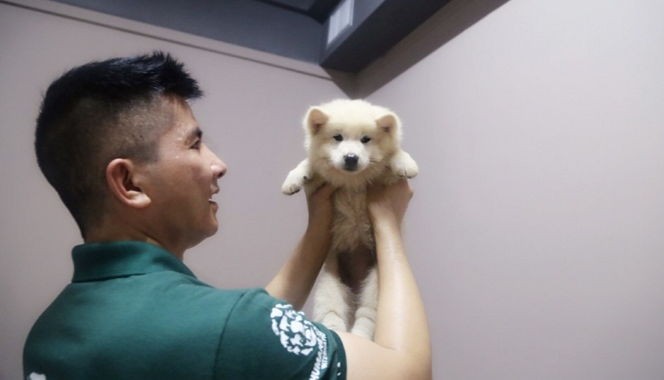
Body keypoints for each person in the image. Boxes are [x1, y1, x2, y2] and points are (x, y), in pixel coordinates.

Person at [24, 52, 431, 380]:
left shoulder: (46, 337)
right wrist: (388, 222)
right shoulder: (231, 328)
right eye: (195, 145)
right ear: (129, 182)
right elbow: (408, 373)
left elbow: (239, 339)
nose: (218, 164)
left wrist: (319, 228)